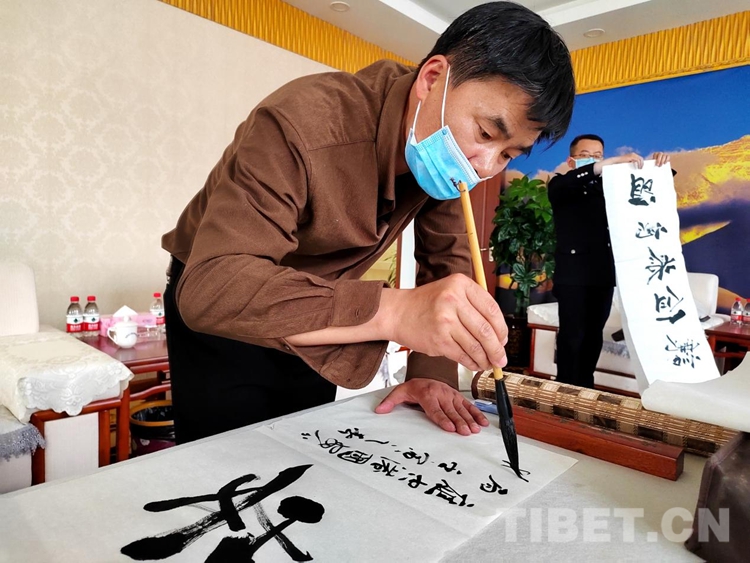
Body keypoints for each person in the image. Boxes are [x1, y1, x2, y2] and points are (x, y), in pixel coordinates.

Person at [161, 2, 576, 443]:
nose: (484, 166)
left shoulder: (449, 154)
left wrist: (431, 372)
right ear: (432, 78)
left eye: (508, 154)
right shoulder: (303, 121)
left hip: (325, 312)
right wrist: (395, 311)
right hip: (226, 307)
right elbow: (214, 289)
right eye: (487, 133)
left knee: (301, 451)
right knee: (225, 460)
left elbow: (448, 261)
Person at [548, 134, 671, 388]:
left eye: (598, 156)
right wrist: (608, 163)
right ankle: (565, 390)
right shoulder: (561, 185)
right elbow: (571, 182)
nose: (594, 160)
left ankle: (585, 388)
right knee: (572, 335)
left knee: (593, 335)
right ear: (571, 161)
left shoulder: (611, 187)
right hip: (572, 276)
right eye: (586, 156)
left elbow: (647, 191)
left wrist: (658, 165)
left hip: (602, 273)